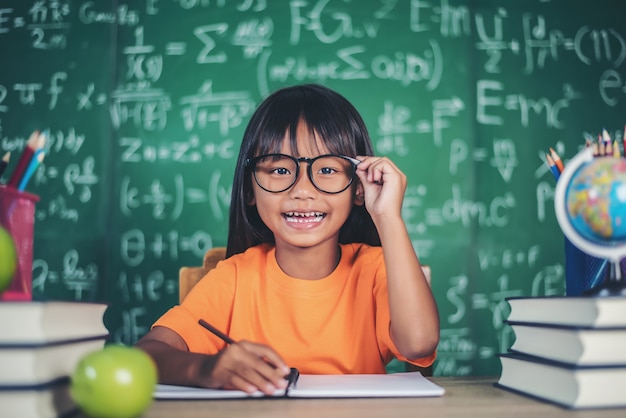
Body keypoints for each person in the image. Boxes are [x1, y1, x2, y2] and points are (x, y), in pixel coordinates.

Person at [136, 84, 439, 395]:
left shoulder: (375, 269)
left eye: (326, 169)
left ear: (357, 187)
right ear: (250, 189)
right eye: (280, 169)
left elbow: (418, 343)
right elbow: (146, 354)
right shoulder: (234, 277)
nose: (302, 190)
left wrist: (388, 216)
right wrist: (207, 368)